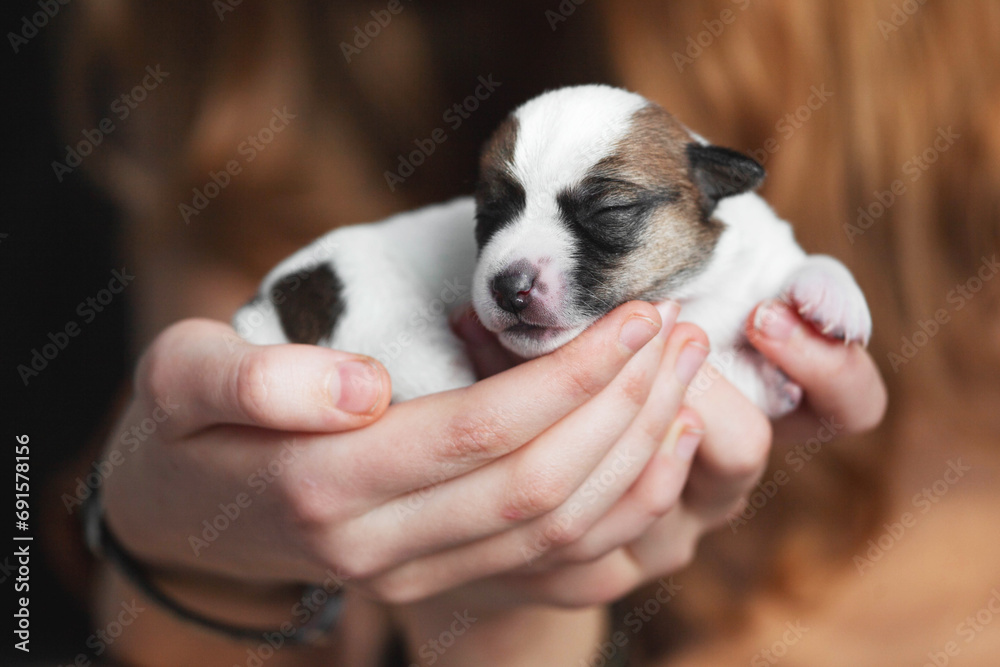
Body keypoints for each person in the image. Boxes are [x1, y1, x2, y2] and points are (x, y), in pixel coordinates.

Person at [47, 1, 996, 664]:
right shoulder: (256, 71)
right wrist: (177, 550)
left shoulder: (930, 90)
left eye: (609, 214)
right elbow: (193, 628)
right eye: (498, 215)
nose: (514, 267)